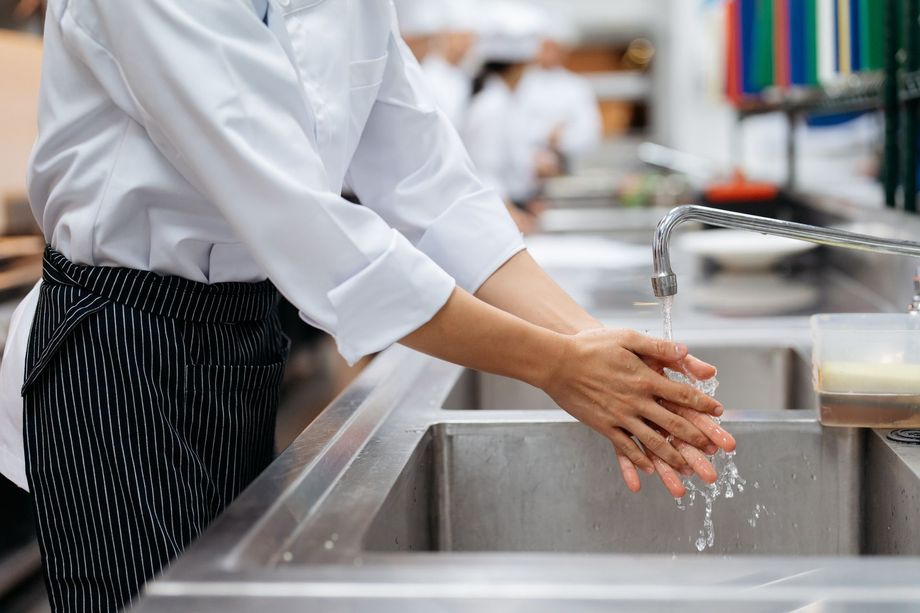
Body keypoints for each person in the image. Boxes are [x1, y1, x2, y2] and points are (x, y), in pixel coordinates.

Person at [0, 1, 734, 610]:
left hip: (241, 336)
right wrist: (556, 363)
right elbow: (304, 222)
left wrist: (597, 346)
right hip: (120, 345)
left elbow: (431, 184)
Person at [515, 12, 603, 173]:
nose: (550, 53)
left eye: (555, 48)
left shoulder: (578, 87)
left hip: (567, 169)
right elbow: (514, 130)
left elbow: (589, 135)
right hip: (524, 171)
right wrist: (547, 134)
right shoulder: (521, 84)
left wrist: (561, 139)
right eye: (545, 47)